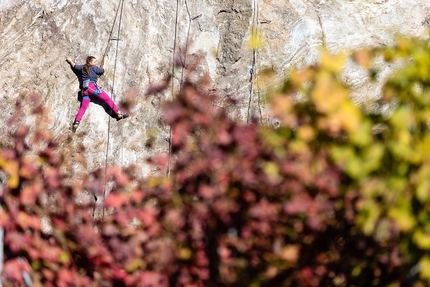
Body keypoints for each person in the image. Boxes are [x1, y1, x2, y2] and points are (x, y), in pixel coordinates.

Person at [65, 56, 129, 132]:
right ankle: (118, 113)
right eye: (94, 62)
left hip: (85, 92)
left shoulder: (82, 67)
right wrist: (105, 60)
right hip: (92, 88)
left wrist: (70, 60)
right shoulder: (94, 68)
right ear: (90, 62)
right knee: (107, 99)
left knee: (83, 107)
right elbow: (103, 70)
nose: (96, 63)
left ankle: (76, 123)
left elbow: (74, 66)